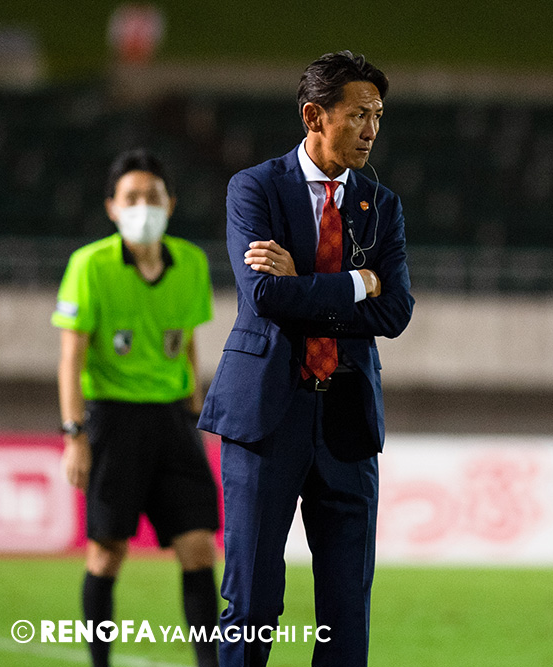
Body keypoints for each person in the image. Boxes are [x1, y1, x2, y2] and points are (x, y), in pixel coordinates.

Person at [198, 50, 413, 666]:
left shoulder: (382, 205)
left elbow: (395, 313)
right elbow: (265, 296)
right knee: (253, 604)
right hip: (267, 416)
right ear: (314, 116)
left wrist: (309, 287)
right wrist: (357, 284)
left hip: (348, 421)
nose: (372, 129)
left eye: (378, 115)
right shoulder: (255, 188)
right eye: (359, 114)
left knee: (347, 617)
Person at [54, 149, 220, 667]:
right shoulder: (89, 265)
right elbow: (70, 358)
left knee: (199, 548)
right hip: (112, 418)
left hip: (173, 420)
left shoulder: (192, 263)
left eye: (153, 196)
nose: (142, 206)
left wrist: (195, 408)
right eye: (131, 197)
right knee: (107, 553)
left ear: (170, 204)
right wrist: (74, 434)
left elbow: (186, 341)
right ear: (111, 207)